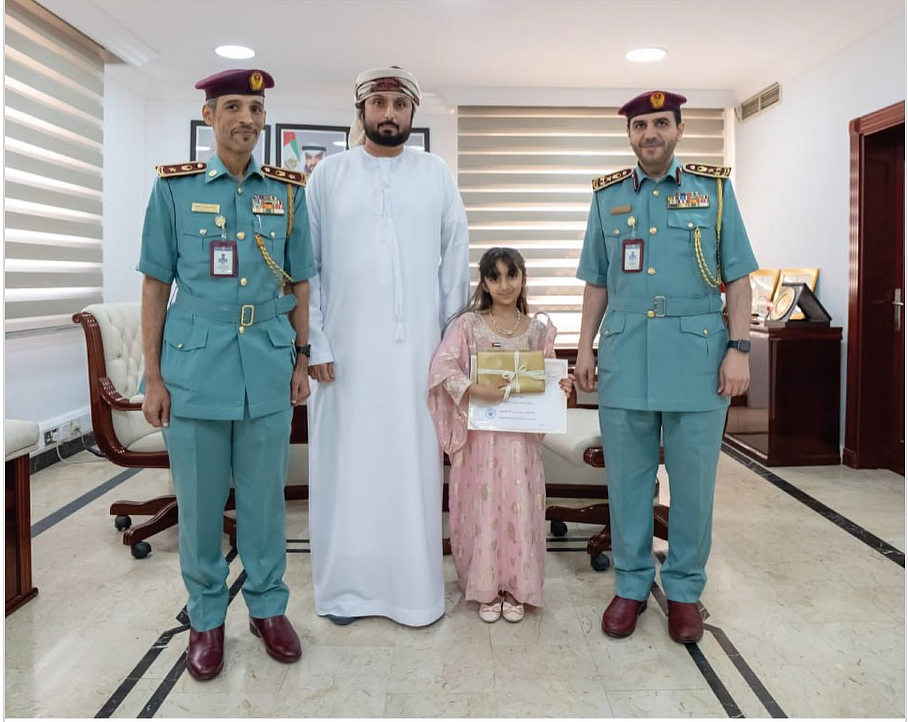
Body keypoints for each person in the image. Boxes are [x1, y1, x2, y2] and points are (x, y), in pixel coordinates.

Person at [138, 68, 316, 680]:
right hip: (194, 368)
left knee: (265, 503)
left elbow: (299, 282)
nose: (247, 118)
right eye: (233, 107)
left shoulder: (288, 193)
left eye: (256, 109)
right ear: (210, 116)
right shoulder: (174, 188)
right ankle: (207, 618)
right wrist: (153, 378)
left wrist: (301, 357)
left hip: (267, 363)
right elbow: (155, 284)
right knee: (200, 504)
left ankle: (268, 609)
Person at [574, 90, 757, 643]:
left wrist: (739, 348)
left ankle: (683, 591)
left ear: (679, 129)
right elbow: (597, 281)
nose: (649, 133)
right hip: (626, 356)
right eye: (639, 126)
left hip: (698, 360)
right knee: (627, 482)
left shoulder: (714, 191)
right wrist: (584, 347)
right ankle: (631, 586)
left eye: (659, 123)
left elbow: (739, 278)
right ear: (629, 135)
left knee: (693, 486)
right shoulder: (607, 197)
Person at [305, 66, 470, 626]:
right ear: (361, 111)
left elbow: (455, 259)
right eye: (378, 103)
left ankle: (413, 594)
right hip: (342, 358)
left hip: (417, 355)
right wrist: (316, 342)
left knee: (411, 468)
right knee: (345, 470)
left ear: (412, 113)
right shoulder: (327, 176)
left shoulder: (435, 173)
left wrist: (449, 344)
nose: (389, 114)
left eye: (399, 105)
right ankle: (344, 592)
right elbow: (308, 268)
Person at [427, 248, 572, 623]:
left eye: (512, 275)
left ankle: (517, 586)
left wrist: (562, 386)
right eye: (495, 277)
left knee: (519, 507)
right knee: (484, 506)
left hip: (520, 445)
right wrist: (476, 389)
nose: (504, 285)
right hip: (480, 444)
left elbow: (547, 382)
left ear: (523, 278)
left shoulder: (538, 331)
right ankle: (486, 586)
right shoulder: (468, 326)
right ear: (485, 283)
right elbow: (442, 369)